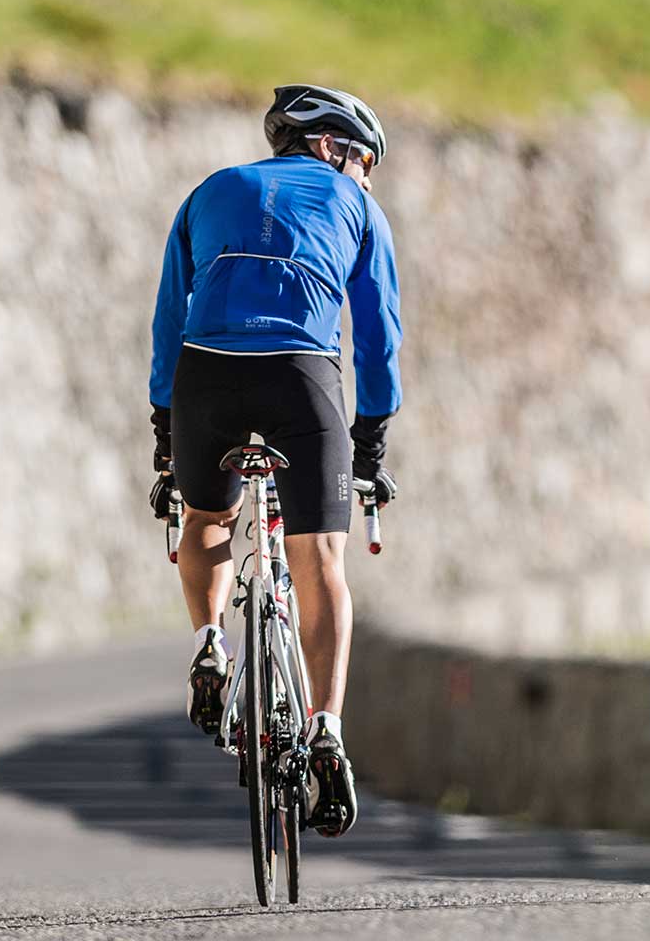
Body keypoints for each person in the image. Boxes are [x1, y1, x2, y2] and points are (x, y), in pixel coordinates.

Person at [148, 83, 403, 834]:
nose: (364, 177)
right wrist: (371, 443)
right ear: (332, 148)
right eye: (364, 161)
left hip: (206, 372)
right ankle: (325, 727)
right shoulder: (357, 208)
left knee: (204, 513)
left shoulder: (212, 189)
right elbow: (379, 335)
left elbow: (168, 314)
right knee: (322, 560)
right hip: (302, 376)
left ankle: (209, 643)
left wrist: (166, 427)